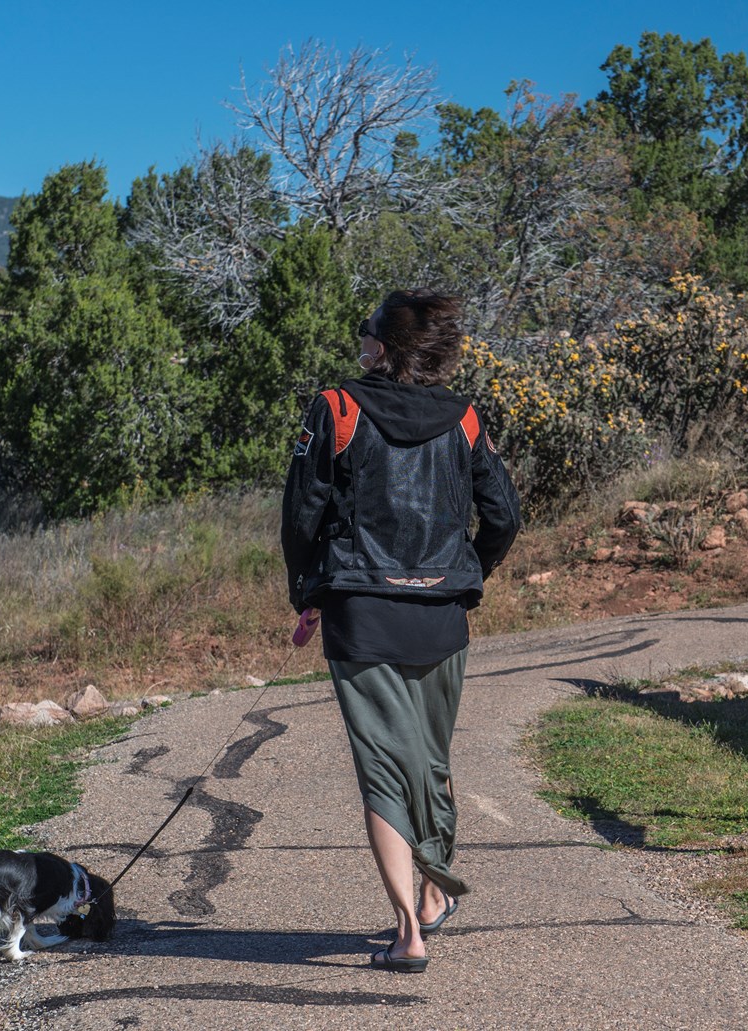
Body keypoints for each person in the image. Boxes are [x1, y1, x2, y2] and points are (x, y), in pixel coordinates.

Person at [281, 289, 521, 973]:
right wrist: (467, 572)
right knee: (429, 760)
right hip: (442, 614)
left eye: (367, 335)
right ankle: (433, 891)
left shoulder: (337, 408)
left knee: (385, 771)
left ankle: (408, 930)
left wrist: (306, 592)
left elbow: (302, 513)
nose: (359, 344)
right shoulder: (466, 416)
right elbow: (502, 513)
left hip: (361, 611)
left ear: (384, 347)